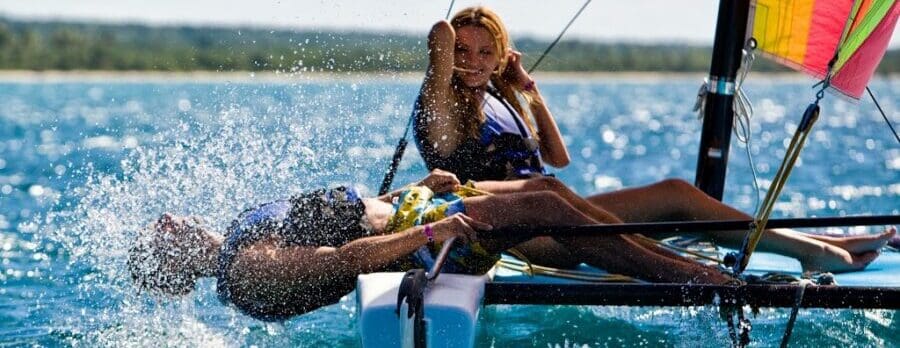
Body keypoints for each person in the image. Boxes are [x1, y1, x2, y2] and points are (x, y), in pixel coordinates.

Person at [128, 170, 895, 321]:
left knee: (548, 199)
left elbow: (345, 221)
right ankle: (709, 285)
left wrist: (407, 195)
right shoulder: (245, 270)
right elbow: (338, 260)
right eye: (164, 235)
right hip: (417, 252)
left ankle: (698, 271)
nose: (172, 221)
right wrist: (429, 227)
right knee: (537, 205)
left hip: (408, 221)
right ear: (179, 262)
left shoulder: (235, 234)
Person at [414, 6, 570, 182]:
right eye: (462, 49)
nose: (473, 61)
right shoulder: (442, 101)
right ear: (451, 52)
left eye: (485, 52)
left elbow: (559, 159)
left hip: (539, 202)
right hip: (482, 206)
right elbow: (441, 31)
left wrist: (528, 87)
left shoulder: (498, 98)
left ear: (500, 57)